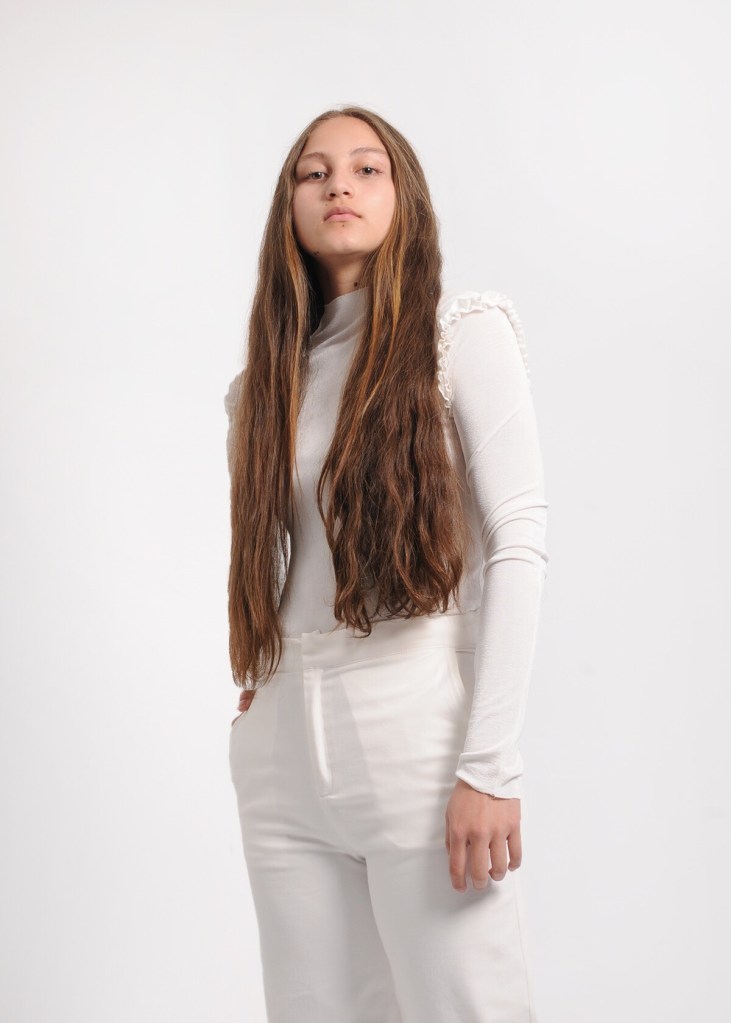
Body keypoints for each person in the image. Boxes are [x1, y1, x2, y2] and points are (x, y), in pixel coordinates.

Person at [224, 105, 548, 1022]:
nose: (339, 185)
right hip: (282, 743)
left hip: (414, 717)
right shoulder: (263, 384)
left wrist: (490, 764)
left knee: (466, 1005)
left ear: (403, 196)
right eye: (314, 171)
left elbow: (518, 537)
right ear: (289, 203)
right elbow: (281, 553)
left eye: (367, 169)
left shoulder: (458, 333)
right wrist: (266, 678)